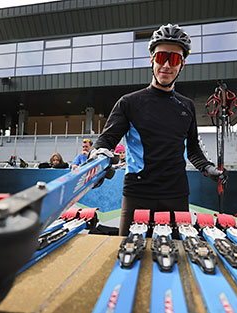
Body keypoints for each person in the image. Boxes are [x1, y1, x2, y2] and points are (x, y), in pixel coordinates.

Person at [90, 24, 226, 236]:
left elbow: (193, 148)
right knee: (128, 254)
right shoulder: (129, 102)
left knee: (176, 256)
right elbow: (106, 140)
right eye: (161, 57)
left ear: (182, 65)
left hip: (176, 193)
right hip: (138, 192)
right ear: (152, 59)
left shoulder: (187, 106)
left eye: (174, 59)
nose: (166, 65)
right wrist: (98, 158)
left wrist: (208, 168)